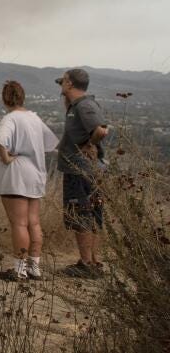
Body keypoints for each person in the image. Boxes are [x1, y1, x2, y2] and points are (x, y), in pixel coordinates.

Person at [0, 81, 59, 282]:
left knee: (18, 224)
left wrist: (6, 158)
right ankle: (34, 267)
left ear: (5, 98)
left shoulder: (10, 118)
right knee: (33, 222)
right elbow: (49, 143)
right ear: (23, 97)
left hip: (16, 175)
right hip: (35, 173)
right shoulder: (35, 118)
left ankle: (19, 270)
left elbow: (0, 142)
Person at [57, 68, 109, 278]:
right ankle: (92, 261)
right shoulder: (77, 105)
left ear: (69, 83)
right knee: (89, 214)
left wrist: (90, 144)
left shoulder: (85, 105)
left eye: (63, 83)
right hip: (85, 170)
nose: (61, 86)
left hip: (80, 171)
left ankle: (86, 264)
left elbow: (101, 129)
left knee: (81, 216)